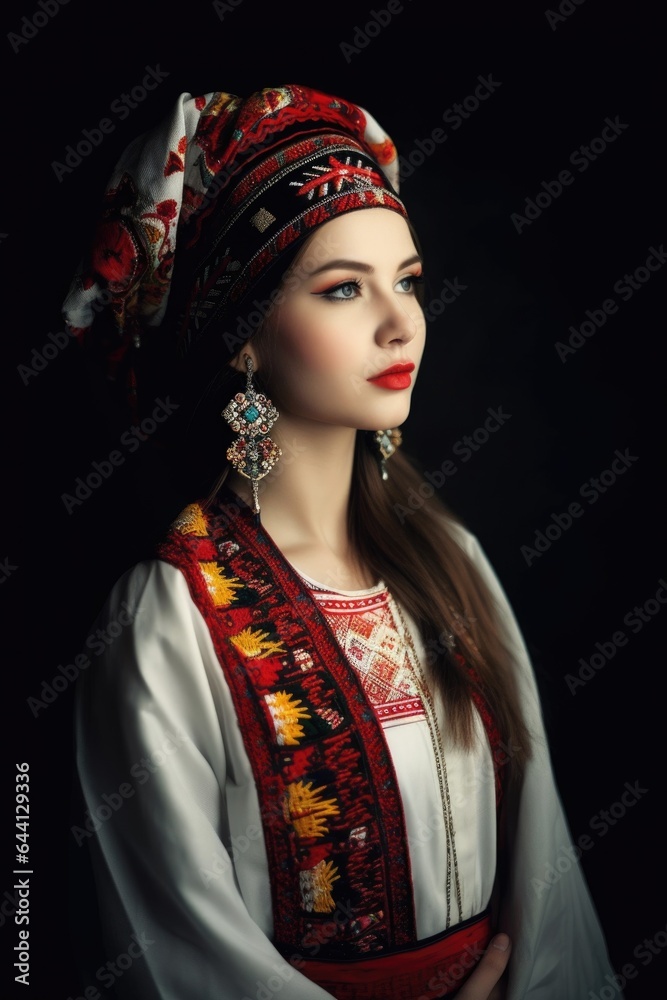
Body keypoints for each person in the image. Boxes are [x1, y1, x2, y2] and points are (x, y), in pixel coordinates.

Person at [65, 84, 619, 999]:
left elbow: (544, 876)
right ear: (243, 335)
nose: (399, 322)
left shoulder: (448, 560)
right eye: (341, 289)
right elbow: (176, 948)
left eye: (407, 281)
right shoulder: (170, 618)